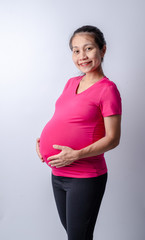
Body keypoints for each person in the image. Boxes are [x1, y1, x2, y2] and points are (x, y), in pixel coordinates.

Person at [36, 25, 122, 240]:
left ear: (102, 50)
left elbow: (113, 139)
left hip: (85, 176)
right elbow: (64, 118)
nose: (82, 56)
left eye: (88, 48)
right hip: (58, 174)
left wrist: (75, 154)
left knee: (78, 237)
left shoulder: (107, 89)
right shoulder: (71, 82)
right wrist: (42, 141)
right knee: (74, 235)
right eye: (76, 50)